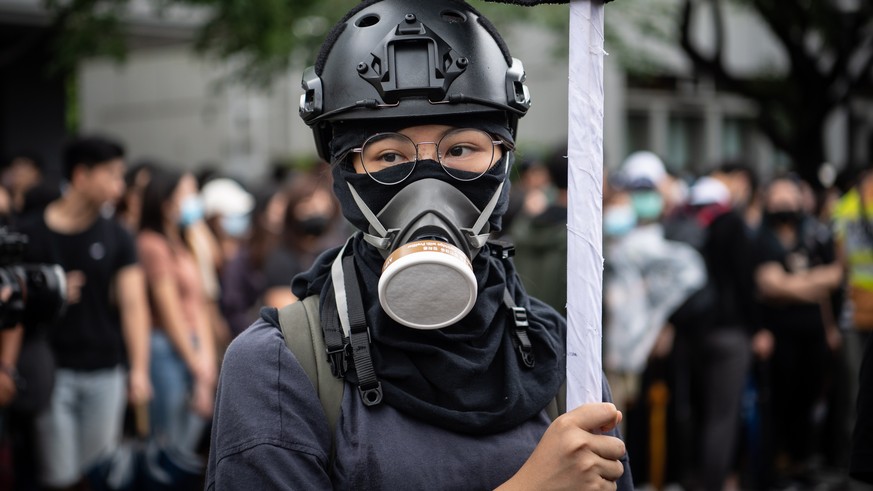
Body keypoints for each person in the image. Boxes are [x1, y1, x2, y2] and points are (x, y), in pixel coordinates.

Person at [207, 1, 631, 489]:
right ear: (345, 176)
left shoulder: (561, 352)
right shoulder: (278, 366)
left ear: (503, 165)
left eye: (462, 148)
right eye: (389, 155)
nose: (430, 187)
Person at [16, 135, 151, 490]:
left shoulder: (118, 236)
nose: (119, 187)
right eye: (112, 175)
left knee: (99, 475)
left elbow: (134, 306)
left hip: (105, 371)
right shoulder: (29, 233)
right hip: (50, 372)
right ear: (81, 176)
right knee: (58, 477)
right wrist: (48, 290)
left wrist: (139, 370)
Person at [751, 175, 842, 486]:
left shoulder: (814, 234)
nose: (784, 205)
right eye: (778, 199)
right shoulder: (761, 239)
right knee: (778, 402)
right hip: (778, 338)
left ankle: (802, 464)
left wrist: (789, 287)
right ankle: (775, 468)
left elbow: (833, 279)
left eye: (789, 199)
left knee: (810, 398)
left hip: (814, 334)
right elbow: (767, 284)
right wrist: (813, 283)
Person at [137, 167, 217, 463]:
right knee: (168, 446)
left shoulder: (182, 243)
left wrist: (206, 360)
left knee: (185, 445)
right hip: (168, 348)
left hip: (192, 348)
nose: (193, 200)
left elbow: (199, 305)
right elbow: (169, 312)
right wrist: (198, 365)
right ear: (165, 201)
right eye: (186, 193)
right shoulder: (152, 244)